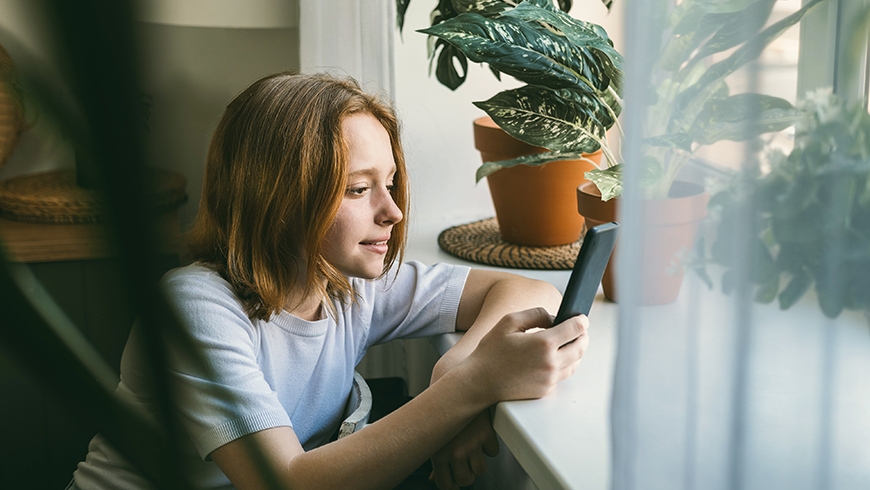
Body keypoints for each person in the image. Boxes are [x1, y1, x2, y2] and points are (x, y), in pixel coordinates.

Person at [68, 72, 589, 490]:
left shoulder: (346, 285)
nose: (394, 211)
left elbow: (527, 290)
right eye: (358, 189)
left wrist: (460, 367)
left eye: (390, 183)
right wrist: (473, 388)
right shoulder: (195, 308)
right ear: (276, 199)